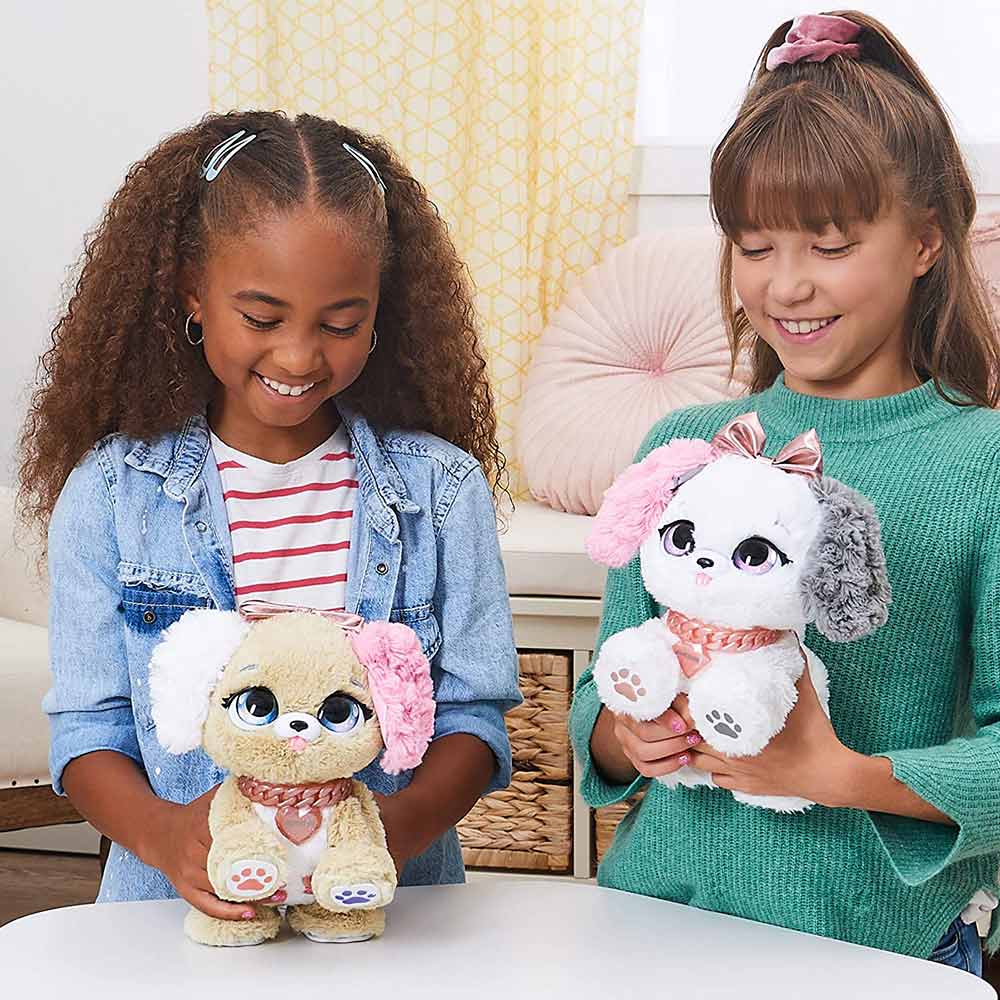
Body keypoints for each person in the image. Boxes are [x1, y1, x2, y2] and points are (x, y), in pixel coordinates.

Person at [570, 11, 1000, 976]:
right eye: (755, 246)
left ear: (926, 241)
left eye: (830, 246)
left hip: (877, 947)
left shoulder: (984, 465)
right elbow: (602, 693)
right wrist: (628, 734)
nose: (786, 287)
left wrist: (838, 773)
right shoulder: (682, 446)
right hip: (658, 922)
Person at [20, 110, 521, 927]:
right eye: (261, 318)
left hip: (388, 921)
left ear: (380, 311)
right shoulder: (112, 494)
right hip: (172, 924)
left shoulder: (440, 491)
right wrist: (165, 835)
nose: (297, 356)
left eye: (340, 324)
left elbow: (474, 719)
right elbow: (87, 733)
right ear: (192, 291)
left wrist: (390, 833)